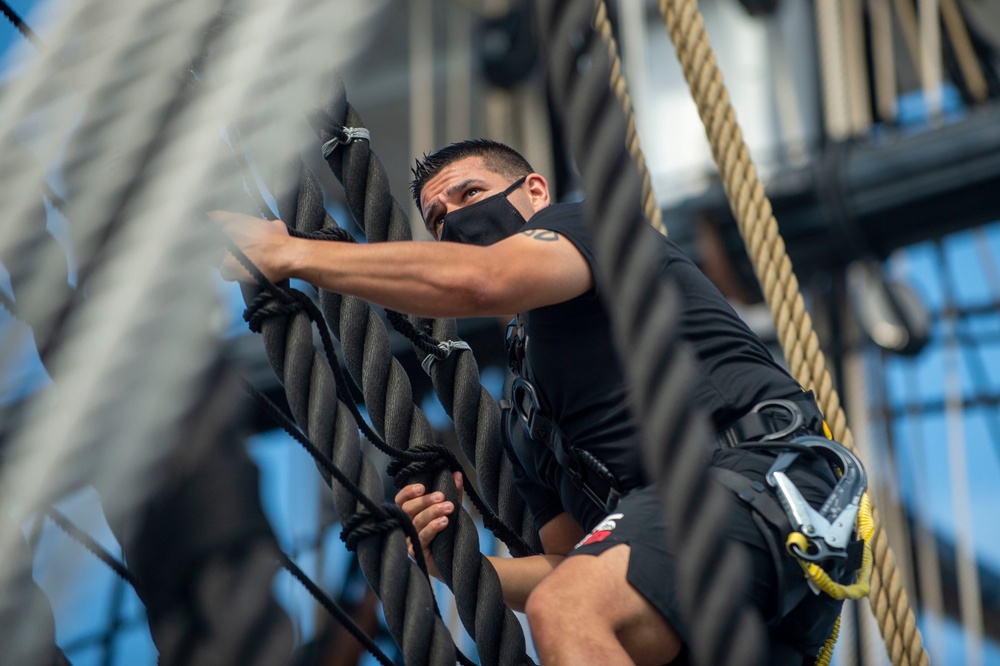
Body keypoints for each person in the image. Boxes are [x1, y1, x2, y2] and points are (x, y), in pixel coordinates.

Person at [216, 139, 862, 665]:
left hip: (762, 489)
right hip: (716, 583)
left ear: (534, 192)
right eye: (437, 219)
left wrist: (293, 254)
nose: (455, 220)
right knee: (576, 607)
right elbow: (568, 564)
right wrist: (458, 565)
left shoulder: (590, 229)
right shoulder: (525, 424)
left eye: (469, 194)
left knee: (573, 613)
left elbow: (483, 281)